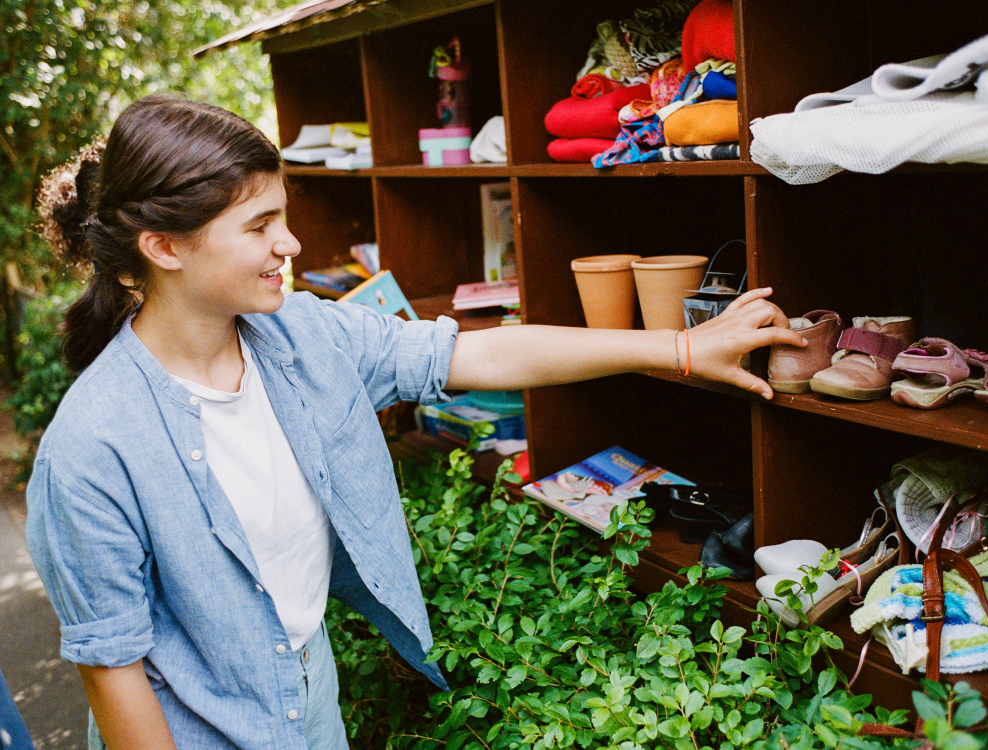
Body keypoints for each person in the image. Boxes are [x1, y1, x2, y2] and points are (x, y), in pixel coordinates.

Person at [26, 93, 806, 750]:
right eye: (259, 226)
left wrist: (679, 347)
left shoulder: (304, 337)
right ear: (163, 246)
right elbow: (113, 669)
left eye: (283, 216)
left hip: (310, 703)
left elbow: (480, 356)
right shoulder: (94, 449)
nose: (289, 244)